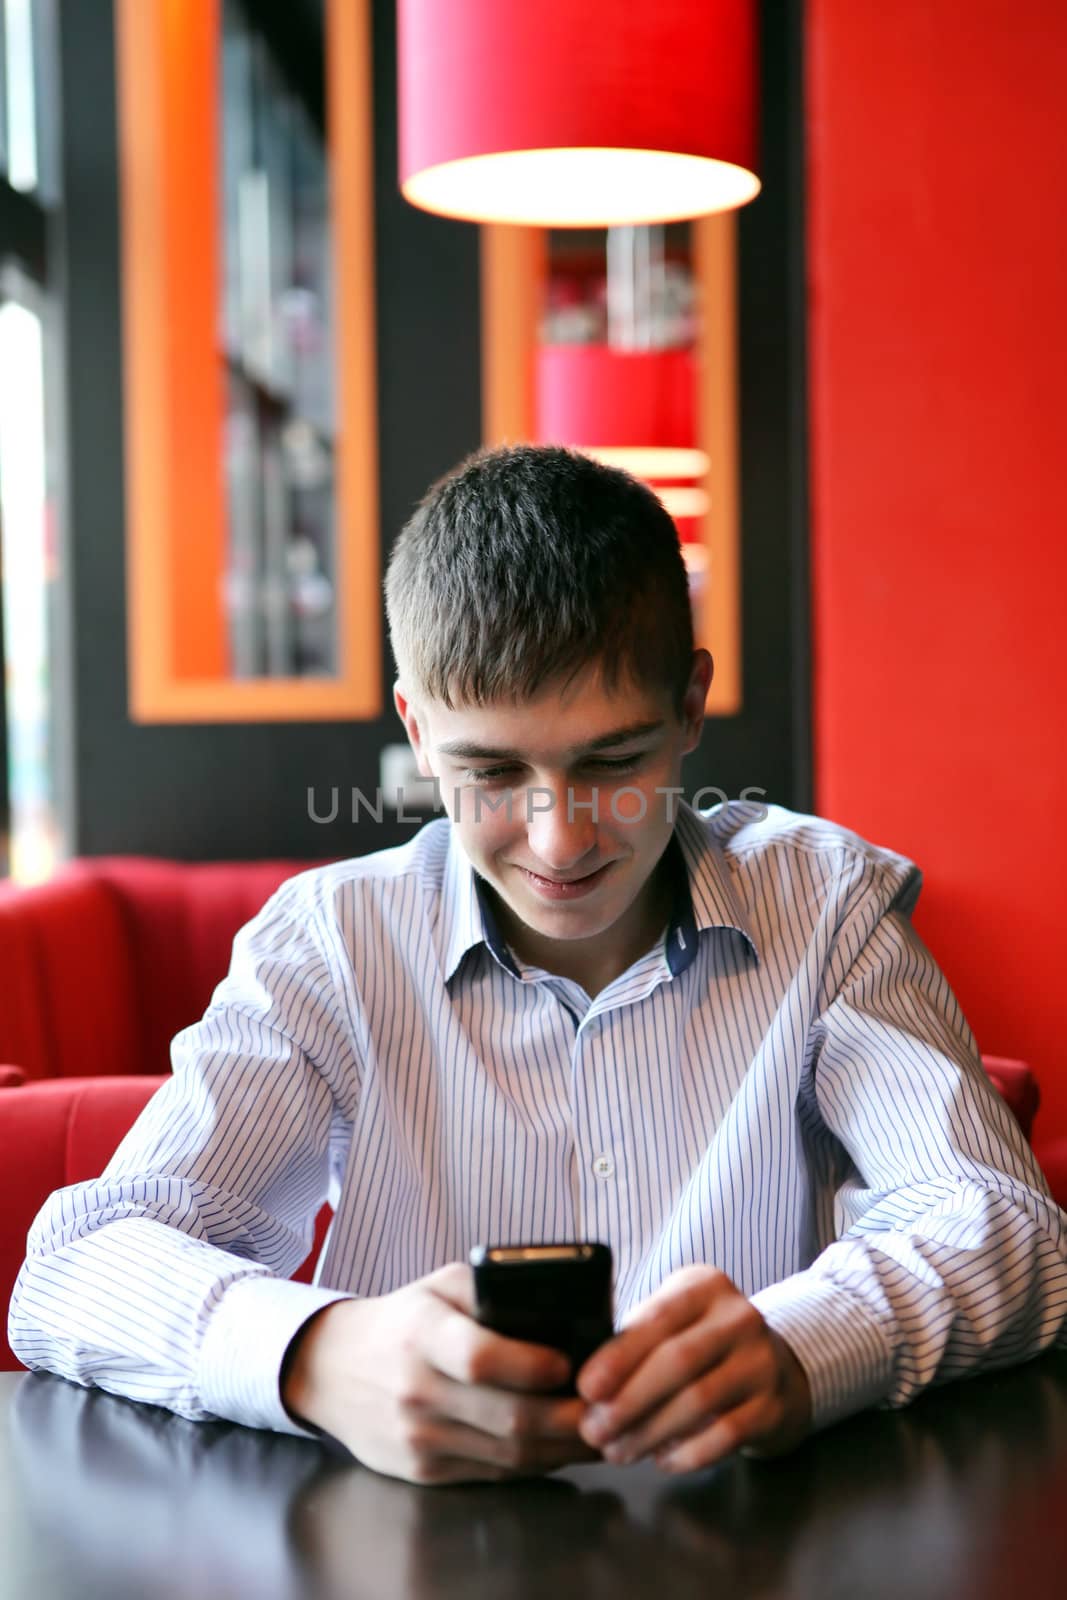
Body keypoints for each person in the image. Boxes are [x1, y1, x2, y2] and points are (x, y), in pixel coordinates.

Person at [10, 445, 1067, 1487]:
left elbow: (1004, 1224)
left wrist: (806, 1342)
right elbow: (75, 1269)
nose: (558, 841)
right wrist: (319, 1357)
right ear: (418, 732)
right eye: (491, 771)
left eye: (613, 761)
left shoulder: (823, 907)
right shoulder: (330, 941)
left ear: (691, 706)